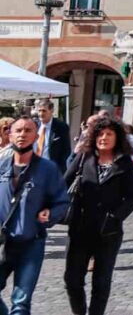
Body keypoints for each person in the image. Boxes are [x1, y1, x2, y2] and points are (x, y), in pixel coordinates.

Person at [63, 117, 133, 315]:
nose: (103, 138)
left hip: (108, 232)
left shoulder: (123, 163)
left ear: (117, 138)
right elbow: (63, 184)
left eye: (109, 134)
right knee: (72, 280)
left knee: (101, 281)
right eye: (100, 134)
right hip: (80, 229)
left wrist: (116, 217)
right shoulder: (84, 158)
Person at [0, 116, 70, 314]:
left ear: (36, 136)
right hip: (3, 242)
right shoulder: (1, 166)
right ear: (10, 135)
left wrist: (51, 213)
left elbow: (62, 201)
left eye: (28, 130)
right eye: (18, 130)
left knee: (21, 302)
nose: (22, 134)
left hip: (32, 242)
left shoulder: (47, 169)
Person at [34, 98, 71, 173]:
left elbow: (66, 150)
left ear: (51, 111)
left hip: (50, 169)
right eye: (39, 111)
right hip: (33, 167)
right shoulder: (34, 125)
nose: (41, 114)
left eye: (44, 111)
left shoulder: (61, 127)